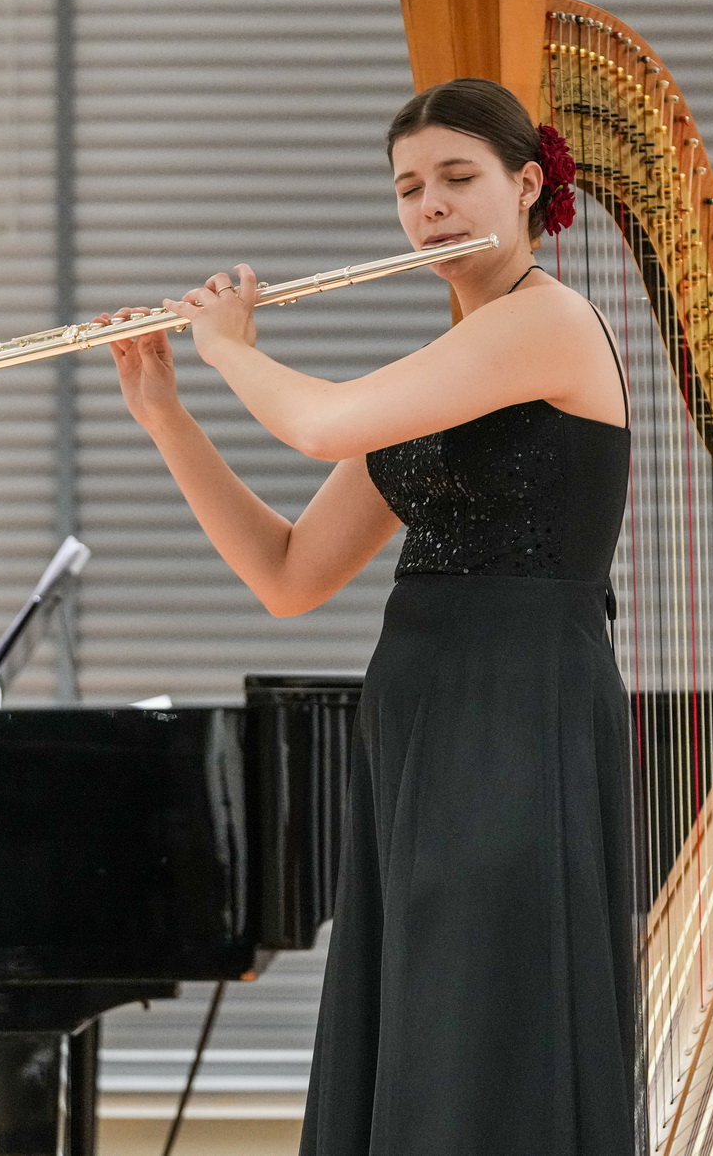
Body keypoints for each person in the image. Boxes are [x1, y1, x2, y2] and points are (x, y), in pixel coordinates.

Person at [96, 78, 639, 1154]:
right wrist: (166, 418)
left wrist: (228, 346)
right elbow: (289, 574)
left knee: (484, 1010)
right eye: (407, 187)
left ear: (526, 186)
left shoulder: (547, 321)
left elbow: (322, 423)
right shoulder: (448, 368)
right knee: (427, 1006)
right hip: (422, 717)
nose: (428, 206)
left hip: (519, 707)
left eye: (456, 178)